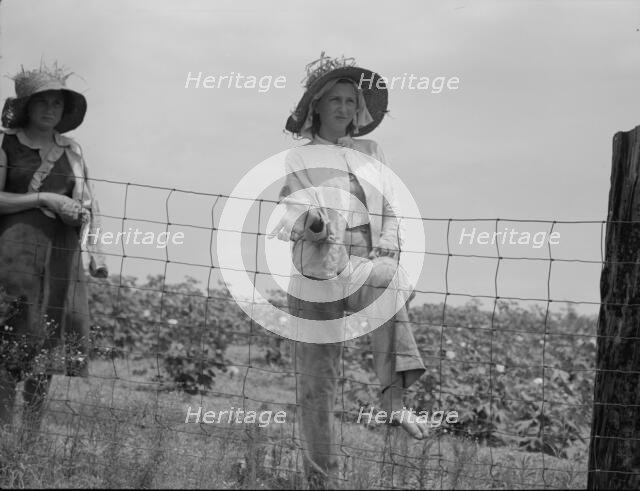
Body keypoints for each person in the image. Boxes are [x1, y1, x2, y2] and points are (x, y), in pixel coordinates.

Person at [272, 53, 428, 488]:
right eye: (335, 100)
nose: (343, 108)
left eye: (350, 100)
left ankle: (393, 401)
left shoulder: (372, 152)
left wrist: (389, 248)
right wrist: (314, 225)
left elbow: (392, 209)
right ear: (317, 107)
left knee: (389, 280)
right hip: (314, 273)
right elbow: (295, 211)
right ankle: (322, 479)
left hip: (362, 261)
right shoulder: (297, 160)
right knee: (317, 383)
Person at [0, 62, 108, 438]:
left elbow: (89, 200)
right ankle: (3, 434)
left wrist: (92, 240)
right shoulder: (6, 143)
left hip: (61, 254)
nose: (50, 110)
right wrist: (45, 196)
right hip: (14, 253)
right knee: (13, 339)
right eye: (42, 102)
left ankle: (29, 435)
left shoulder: (72, 151)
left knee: (48, 341)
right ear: (26, 106)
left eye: (57, 105)